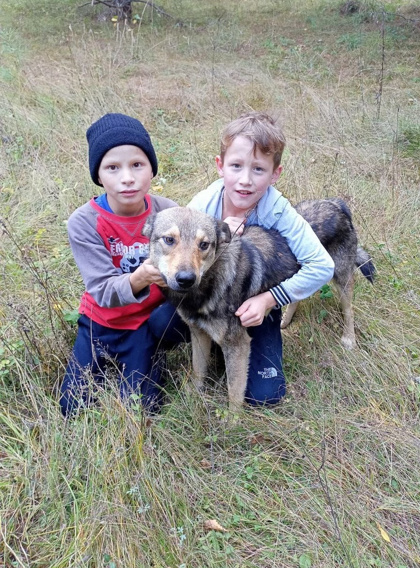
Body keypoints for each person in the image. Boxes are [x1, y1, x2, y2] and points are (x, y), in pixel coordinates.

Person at [186, 111, 335, 406]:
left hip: (256, 300)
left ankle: (240, 340)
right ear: (220, 166)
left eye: (258, 169)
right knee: (161, 320)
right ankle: (207, 347)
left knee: (265, 396)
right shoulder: (203, 206)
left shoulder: (278, 212)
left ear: (274, 174)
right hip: (209, 294)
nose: (245, 180)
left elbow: (322, 266)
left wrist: (268, 300)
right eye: (236, 166)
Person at [60, 113, 186, 416]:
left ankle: (151, 353)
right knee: (73, 407)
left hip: (145, 323)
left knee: (142, 409)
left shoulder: (169, 211)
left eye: (137, 165)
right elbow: (102, 290)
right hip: (99, 323)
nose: (127, 177)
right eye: (113, 167)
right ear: (99, 175)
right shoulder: (85, 222)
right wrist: (141, 276)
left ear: (151, 170)